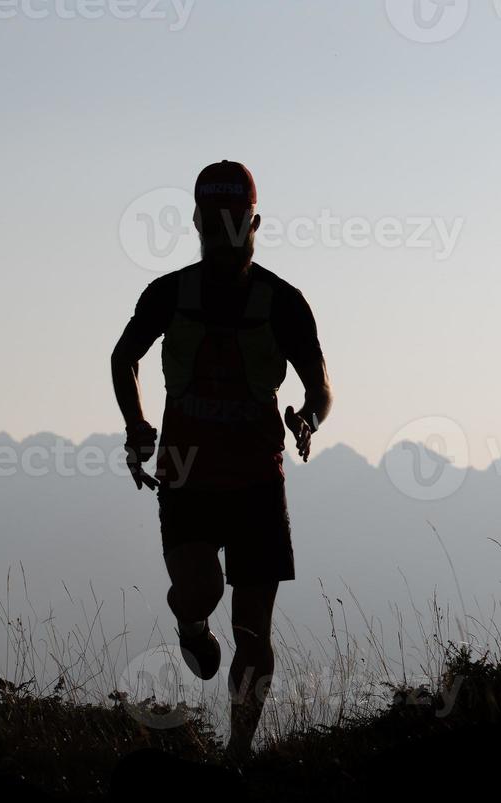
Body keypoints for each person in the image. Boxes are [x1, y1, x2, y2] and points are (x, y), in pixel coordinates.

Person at [110, 161, 333, 759]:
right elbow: (123, 358)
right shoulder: (168, 295)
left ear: (254, 222)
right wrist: (136, 428)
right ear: (196, 223)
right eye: (212, 225)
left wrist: (308, 420)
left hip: (259, 480)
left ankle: (238, 757)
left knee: (253, 634)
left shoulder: (283, 303)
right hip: (184, 473)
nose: (223, 236)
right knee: (201, 587)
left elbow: (320, 388)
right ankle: (190, 622)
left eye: (233, 225)